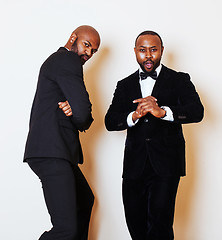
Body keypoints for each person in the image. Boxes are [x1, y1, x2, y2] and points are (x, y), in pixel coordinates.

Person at [105, 31, 204, 240]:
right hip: (134, 167)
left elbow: (197, 111)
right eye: (142, 50)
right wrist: (134, 115)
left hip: (166, 166)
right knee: (136, 225)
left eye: (153, 49)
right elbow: (110, 121)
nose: (148, 55)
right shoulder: (124, 85)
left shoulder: (178, 79)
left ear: (161, 51)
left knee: (159, 227)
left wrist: (164, 112)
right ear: (135, 52)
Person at [24, 25, 100, 240]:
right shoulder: (67, 60)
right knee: (66, 229)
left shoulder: (56, 62)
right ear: (72, 38)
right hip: (52, 151)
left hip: (56, 151)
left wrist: (75, 110)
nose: (88, 53)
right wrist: (77, 111)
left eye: (93, 51)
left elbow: (80, 111)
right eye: (86, 45)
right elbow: (83, 114)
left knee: (85, 201)